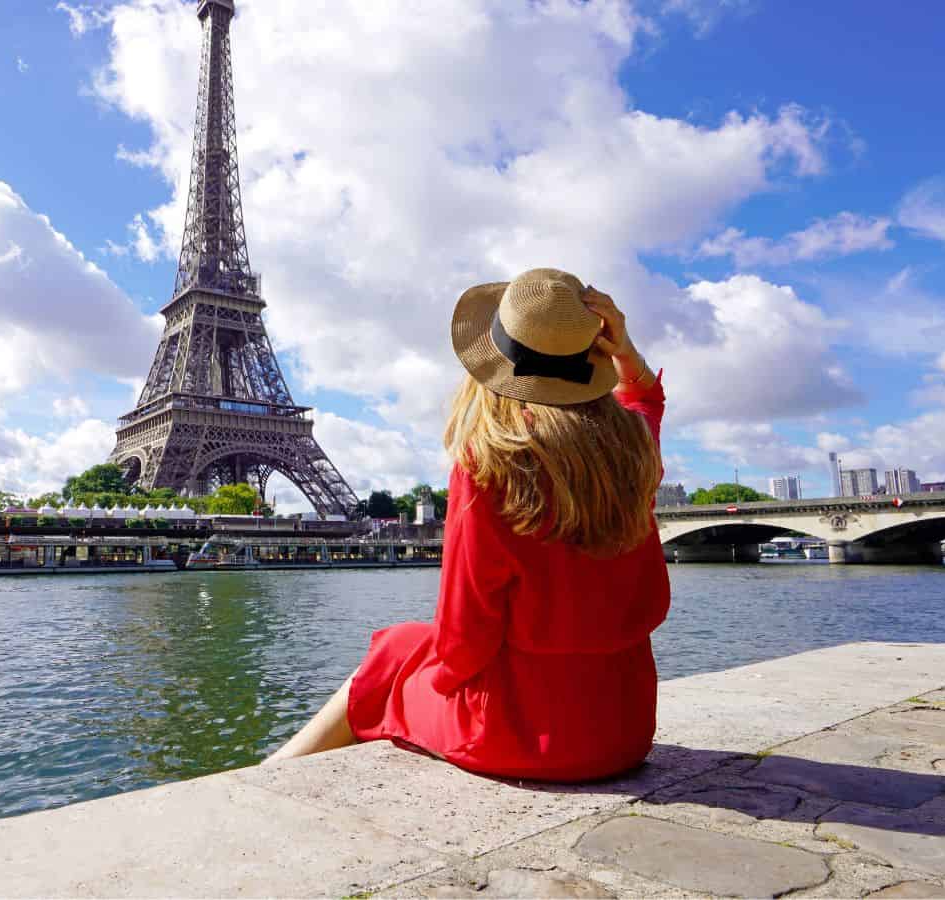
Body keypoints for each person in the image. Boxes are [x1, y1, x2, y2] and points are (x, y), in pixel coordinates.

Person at [265, 268, 669, 782]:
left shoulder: (491, 466)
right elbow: (643, 408)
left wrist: (423, 672)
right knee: (403, 647)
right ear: (594, 355)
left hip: (519, 738)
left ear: (496, 364)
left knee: (389, 654)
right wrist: (628, 356)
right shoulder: (632, 454)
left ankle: (270, 775)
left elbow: (463, 640)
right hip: (624, 731)